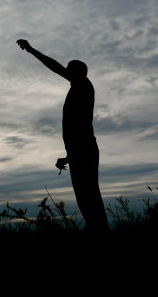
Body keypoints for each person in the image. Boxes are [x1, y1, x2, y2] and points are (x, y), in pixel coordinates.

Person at [16, 39, 109, 231]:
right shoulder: (78, 88)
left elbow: (55, 67)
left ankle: (100, 230)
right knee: (85, 195)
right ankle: (97, 229)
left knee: (88, 194)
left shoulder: (83, 85)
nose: (66, 70)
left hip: (84, 149)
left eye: (70, 68)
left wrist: (32, 50)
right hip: (80, 149)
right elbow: (78, 128)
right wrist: (69, 156)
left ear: (80, 72)